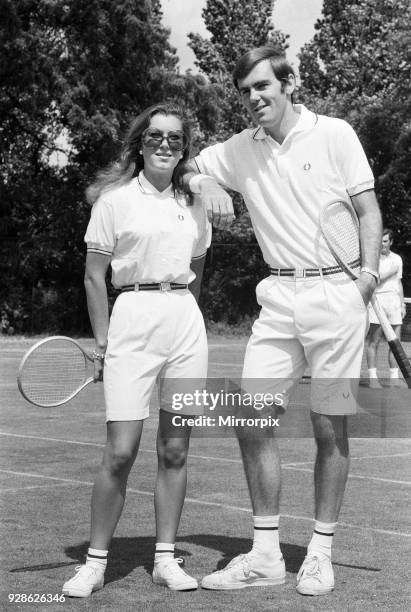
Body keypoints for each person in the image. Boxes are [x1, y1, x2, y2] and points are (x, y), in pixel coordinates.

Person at [181, 46, 382, 596]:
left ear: (288, 83)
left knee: (328, 426)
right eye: (246, 91)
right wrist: (208, 184)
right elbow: (184, 166)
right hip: (277, 299)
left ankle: (319, 553)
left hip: (337, 295)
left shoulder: (336, 133)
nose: (254, 99)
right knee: (251, 418)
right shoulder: (240, 148)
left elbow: (367, 210)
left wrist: (365, 280)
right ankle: (266, 555)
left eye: (263, 87)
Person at [62, 102, 211, 597]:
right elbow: (93, 277)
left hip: (185, 323)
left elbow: (198, 269)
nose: (164, 144)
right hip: (132, 320)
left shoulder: (195, 203)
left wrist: (186, 314)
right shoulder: (114, 201)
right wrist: (103, 341)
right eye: (154, 137)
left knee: (175, 449)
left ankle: (166, 559)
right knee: (121, 451)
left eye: (174, 137)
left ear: (184, 146)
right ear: (139, 144)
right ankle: (95, 562)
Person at [366, 228, 406, 388]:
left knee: (396, 344)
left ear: (391, 242)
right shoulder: (372, 260)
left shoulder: (397, 259)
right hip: (377, 302)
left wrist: (402, 304)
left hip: (394, 303)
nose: (381, 244)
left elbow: (399, 282)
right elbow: (374, 281)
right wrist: (390, 272)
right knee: (373, 341)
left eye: (385, 241)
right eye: (379, 241)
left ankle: (394, 380)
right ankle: (373, 379)